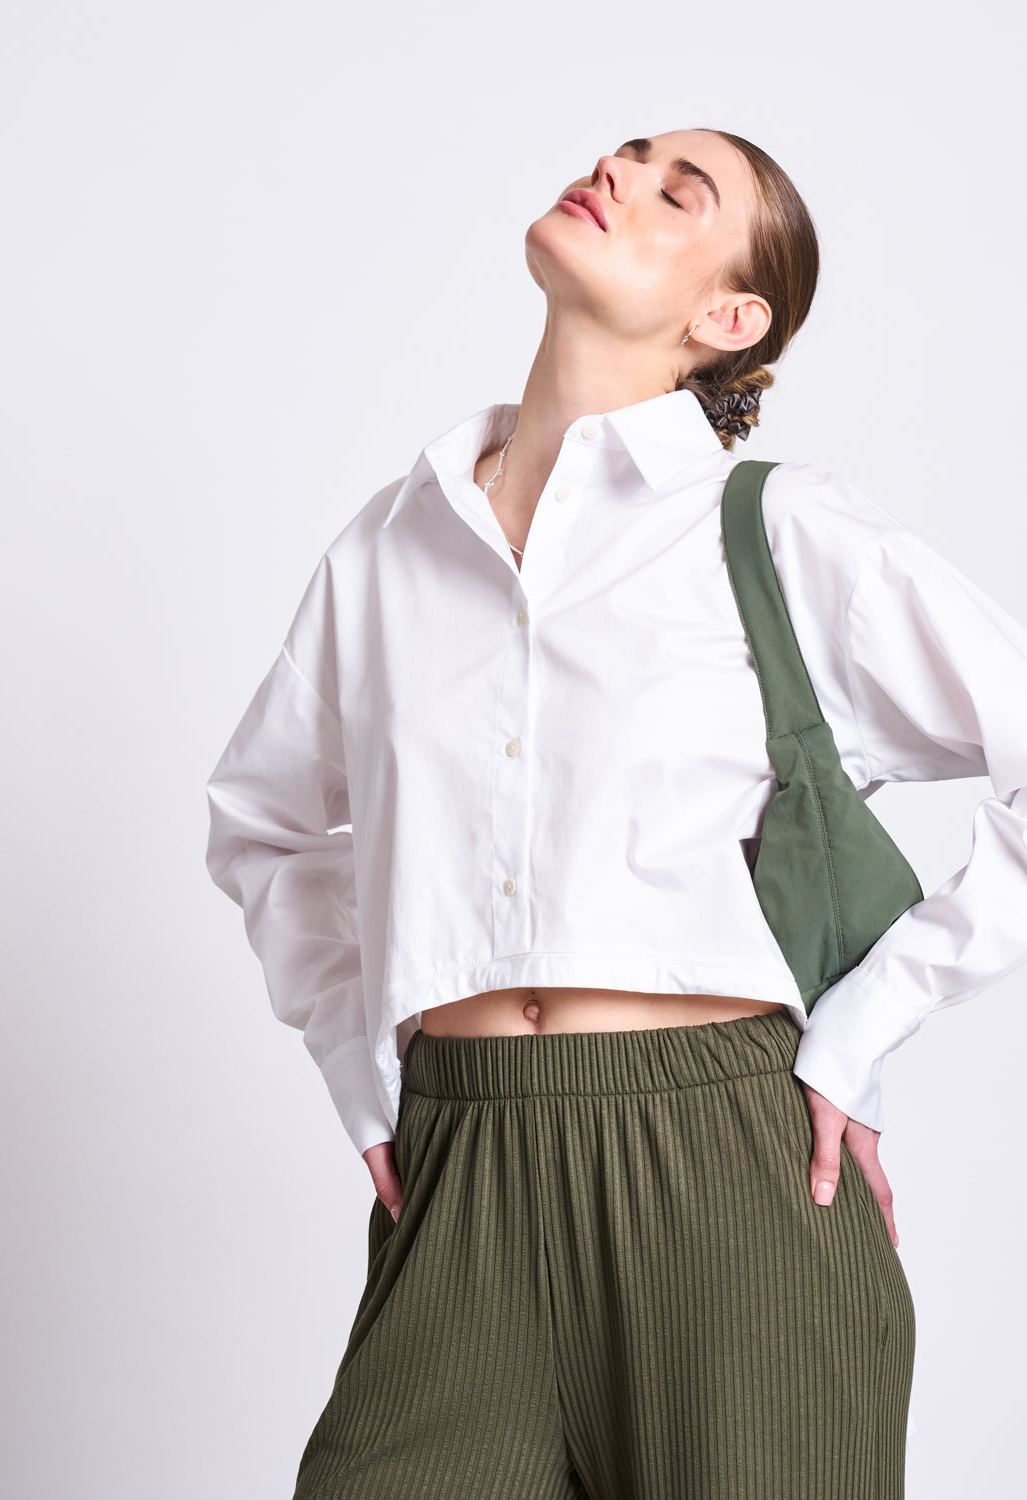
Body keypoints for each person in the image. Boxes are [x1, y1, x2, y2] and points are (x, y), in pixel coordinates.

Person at [205, 128, 1027, 1498]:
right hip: (459, 1168)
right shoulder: (392, 546)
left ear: (729, 318)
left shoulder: (779, 532)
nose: (619, 174)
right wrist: (362, 1062)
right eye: (627, 155)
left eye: (675, 190)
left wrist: (862, 1029)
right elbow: (264, 818)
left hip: (731, 1180)